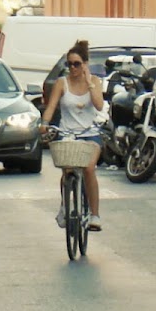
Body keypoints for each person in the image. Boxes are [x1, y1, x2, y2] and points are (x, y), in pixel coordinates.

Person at [40, 39, 104, 231]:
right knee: (67, 169)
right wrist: (44, 124)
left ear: (85, 64)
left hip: (89, 133)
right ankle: (65, 205)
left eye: (77, 64)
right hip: (67, 132)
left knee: (89, 169)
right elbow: (51, 106)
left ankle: (94, 215)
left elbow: (99, 105)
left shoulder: (94, 82)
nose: (73, 68)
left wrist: (89, 82)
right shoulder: (62, 83)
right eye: (70, 64)